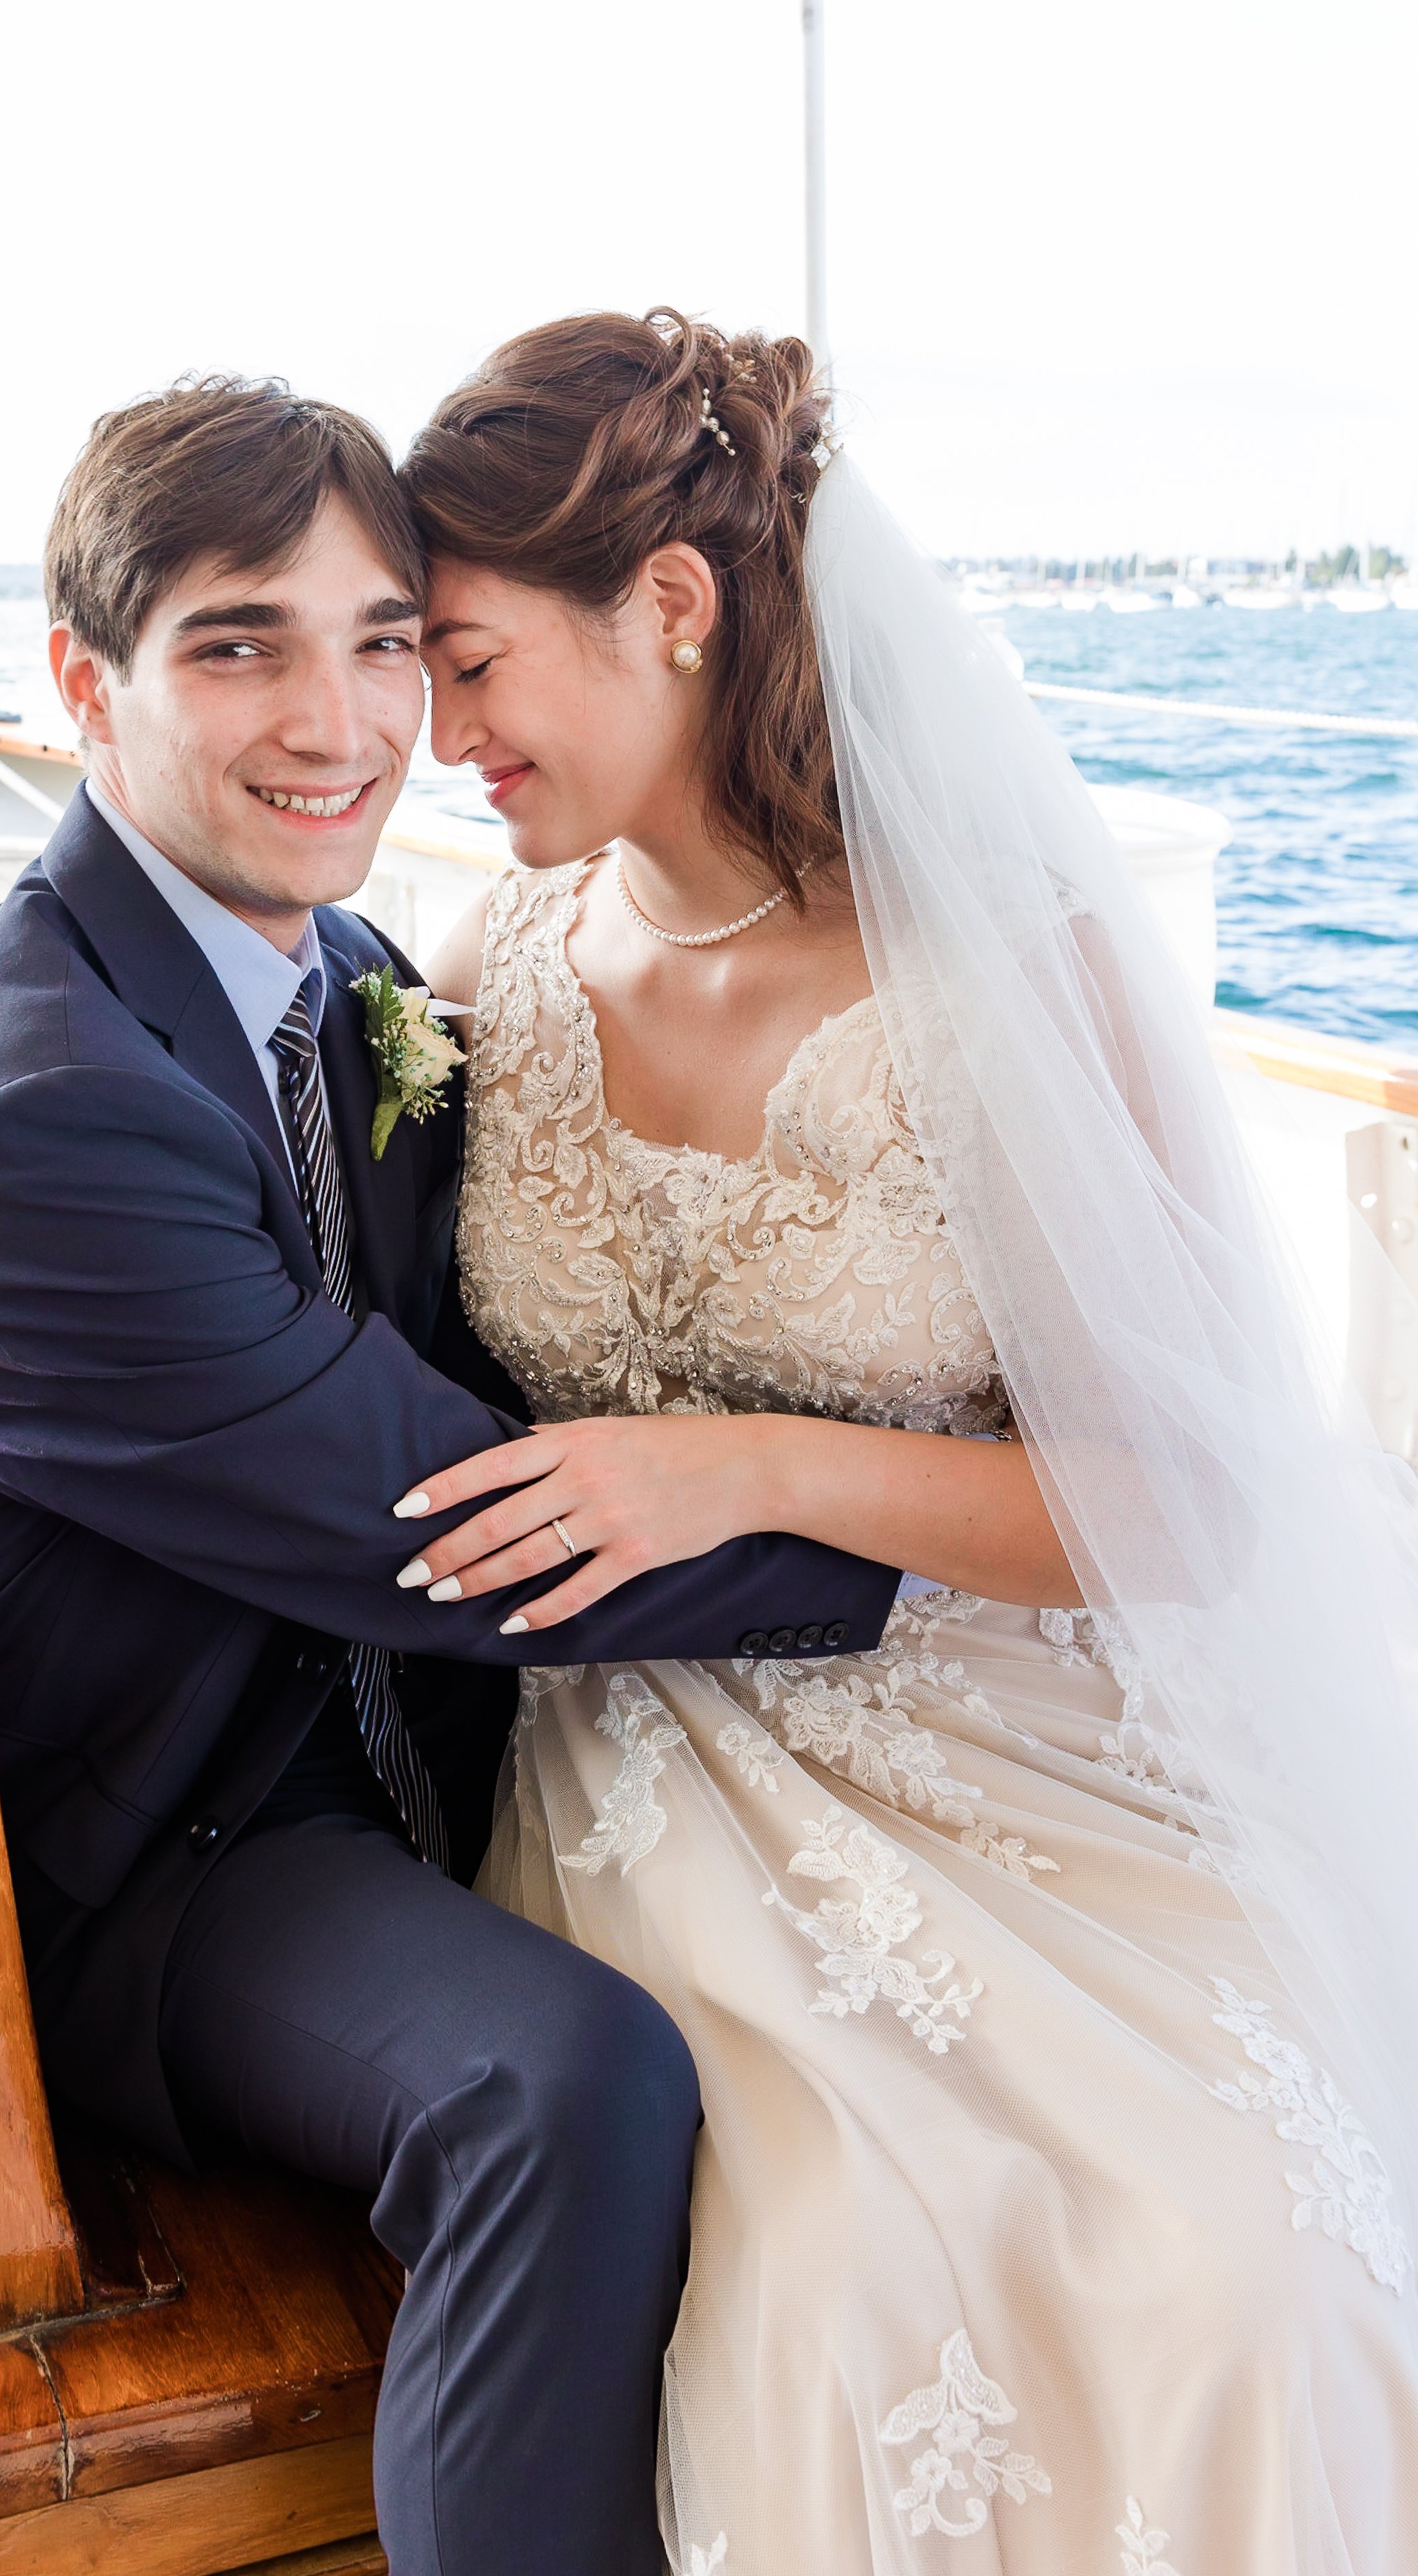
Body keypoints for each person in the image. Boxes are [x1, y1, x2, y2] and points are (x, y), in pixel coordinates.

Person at [0, 374, 901, 2576]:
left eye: (385, 642)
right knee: (561, 2088)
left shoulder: (319, 968)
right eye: (238, 643)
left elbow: (432, 1321)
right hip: (179, 1852)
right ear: (87, 678)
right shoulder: (40, 1121)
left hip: (345, 1724)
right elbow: (447, 1537)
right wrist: (932, 1536)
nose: (340, 721)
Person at [379, 309, 1418, 2572]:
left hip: (1005, 1718)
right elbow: (299, 1283)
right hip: (652, 1766)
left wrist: (738, 1462)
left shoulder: (993, 972)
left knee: (1250, 2259)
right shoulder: (482, 959)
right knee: (838, 2264)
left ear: (667, 606)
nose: (426, 730)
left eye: (465, 662)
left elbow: (1180, 1504)